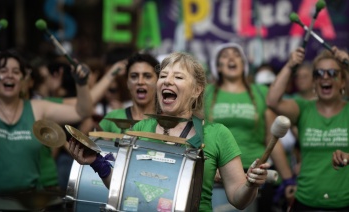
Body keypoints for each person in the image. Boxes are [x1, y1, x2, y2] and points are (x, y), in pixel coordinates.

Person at [68, 52, 270, 211]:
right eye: (163, 75)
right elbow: (121, 187)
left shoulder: (217, 134)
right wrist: (97, 163)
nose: (167, 81)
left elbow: (238, 199)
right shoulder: (140, 129)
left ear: (197, 90)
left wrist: (251, 185)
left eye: (178, 77)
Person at [0, 49, 92, 209]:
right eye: (3, 70)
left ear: (23, 80)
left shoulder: (37, 108)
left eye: (16, 72)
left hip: (28, 203)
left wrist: (81, 83)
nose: (10, 75)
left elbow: (81, 111)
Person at [204, 42, 293, 211]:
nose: (231, 58)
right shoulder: (205, 93)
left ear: (244, 64)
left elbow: (271, 137)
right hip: (216, 172)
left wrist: (288, 179)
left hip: (255, 172)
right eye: (225, 56)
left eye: (236, 54)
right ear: (218, 66)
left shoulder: (261, 92)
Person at [267, 46, 349, 211]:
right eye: (319, 73)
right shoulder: (303, 108)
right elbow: (272, 101)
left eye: (333, 73)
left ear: (342, 81)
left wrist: (348, 63)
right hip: (305, 201)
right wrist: (290, 65)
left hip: (344, 203)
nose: (325, 77)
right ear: (314, 82)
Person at [98, 53, 159, 133]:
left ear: (158, 81)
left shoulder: (166, 123)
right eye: (134, 76)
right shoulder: (113, 117)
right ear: (127, 82)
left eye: (147, 76)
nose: (140, 82)